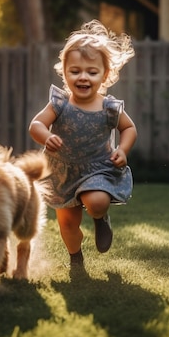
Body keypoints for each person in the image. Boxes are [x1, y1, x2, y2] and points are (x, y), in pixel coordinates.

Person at [29, 20, 137, 268]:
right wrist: (46, 136)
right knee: (68, 224)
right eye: (75, 71)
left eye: (91, 71)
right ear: (65, 73)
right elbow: (36, 125)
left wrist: (123, 149)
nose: (83, 77)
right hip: (62, 171)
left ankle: (100, 218)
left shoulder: (109, 107)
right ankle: (76, 258)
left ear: (105, 75)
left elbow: (129, 128)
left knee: (96, 202)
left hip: (97, 167)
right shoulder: (60, 104)